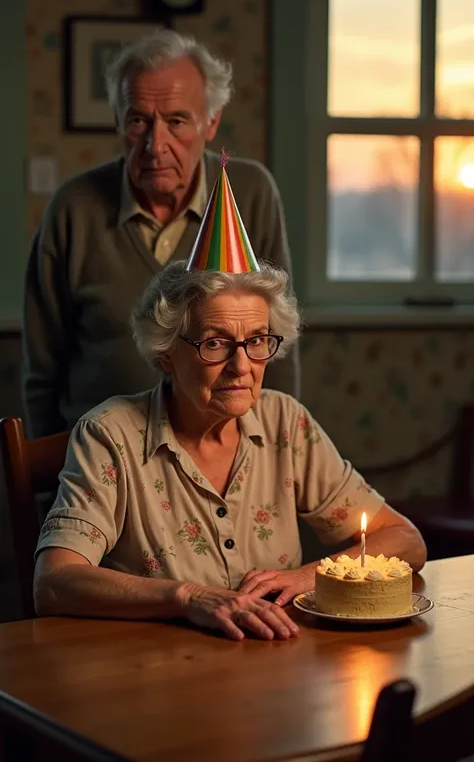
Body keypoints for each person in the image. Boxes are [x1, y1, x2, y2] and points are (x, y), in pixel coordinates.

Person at [34, 169, 426, 640]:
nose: (242, 367)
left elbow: (405, 540)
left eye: (257, 340)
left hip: (272, 672)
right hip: (146, 679)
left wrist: (307, 576)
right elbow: (53, 582)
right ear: (165, 354)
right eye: (216, 343)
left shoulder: (286, 423)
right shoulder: (109, 435)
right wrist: (188, 597)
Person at [22, 28, 299, 439]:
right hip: (98, 460)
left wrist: (278, 461)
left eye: (176, 121)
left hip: (224, 458)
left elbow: (275, 346)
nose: (155, 144)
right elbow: (42, 373)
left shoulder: (251, 192)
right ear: (118, 121)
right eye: (138, 120)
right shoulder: (73, 208)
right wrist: (46, 486)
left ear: (211, 121)